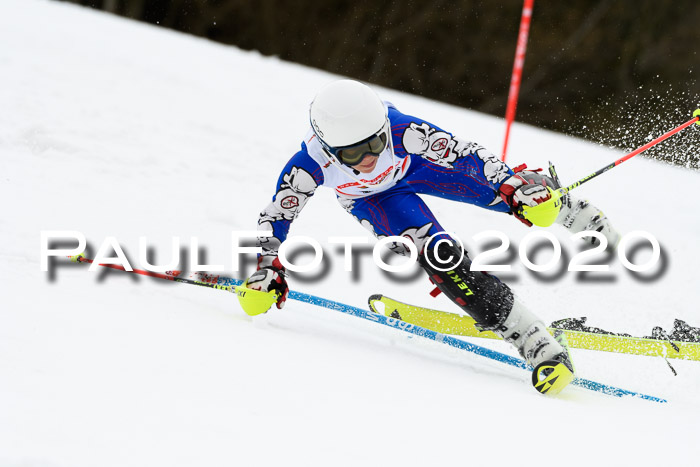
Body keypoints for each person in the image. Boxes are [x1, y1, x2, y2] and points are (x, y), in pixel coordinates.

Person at [245, 79, 620, 393]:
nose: (369, 157)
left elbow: (465, 154)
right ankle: (533, 342)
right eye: (353, 153)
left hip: (417, 167)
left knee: (504, 196)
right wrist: (265, 268)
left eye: (374, 144)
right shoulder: (308, 165)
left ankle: (585, 218)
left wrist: (510, 184)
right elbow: (277, 214)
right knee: (439, 256)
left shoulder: (401, 130)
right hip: (374, 198)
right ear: (328, 148)